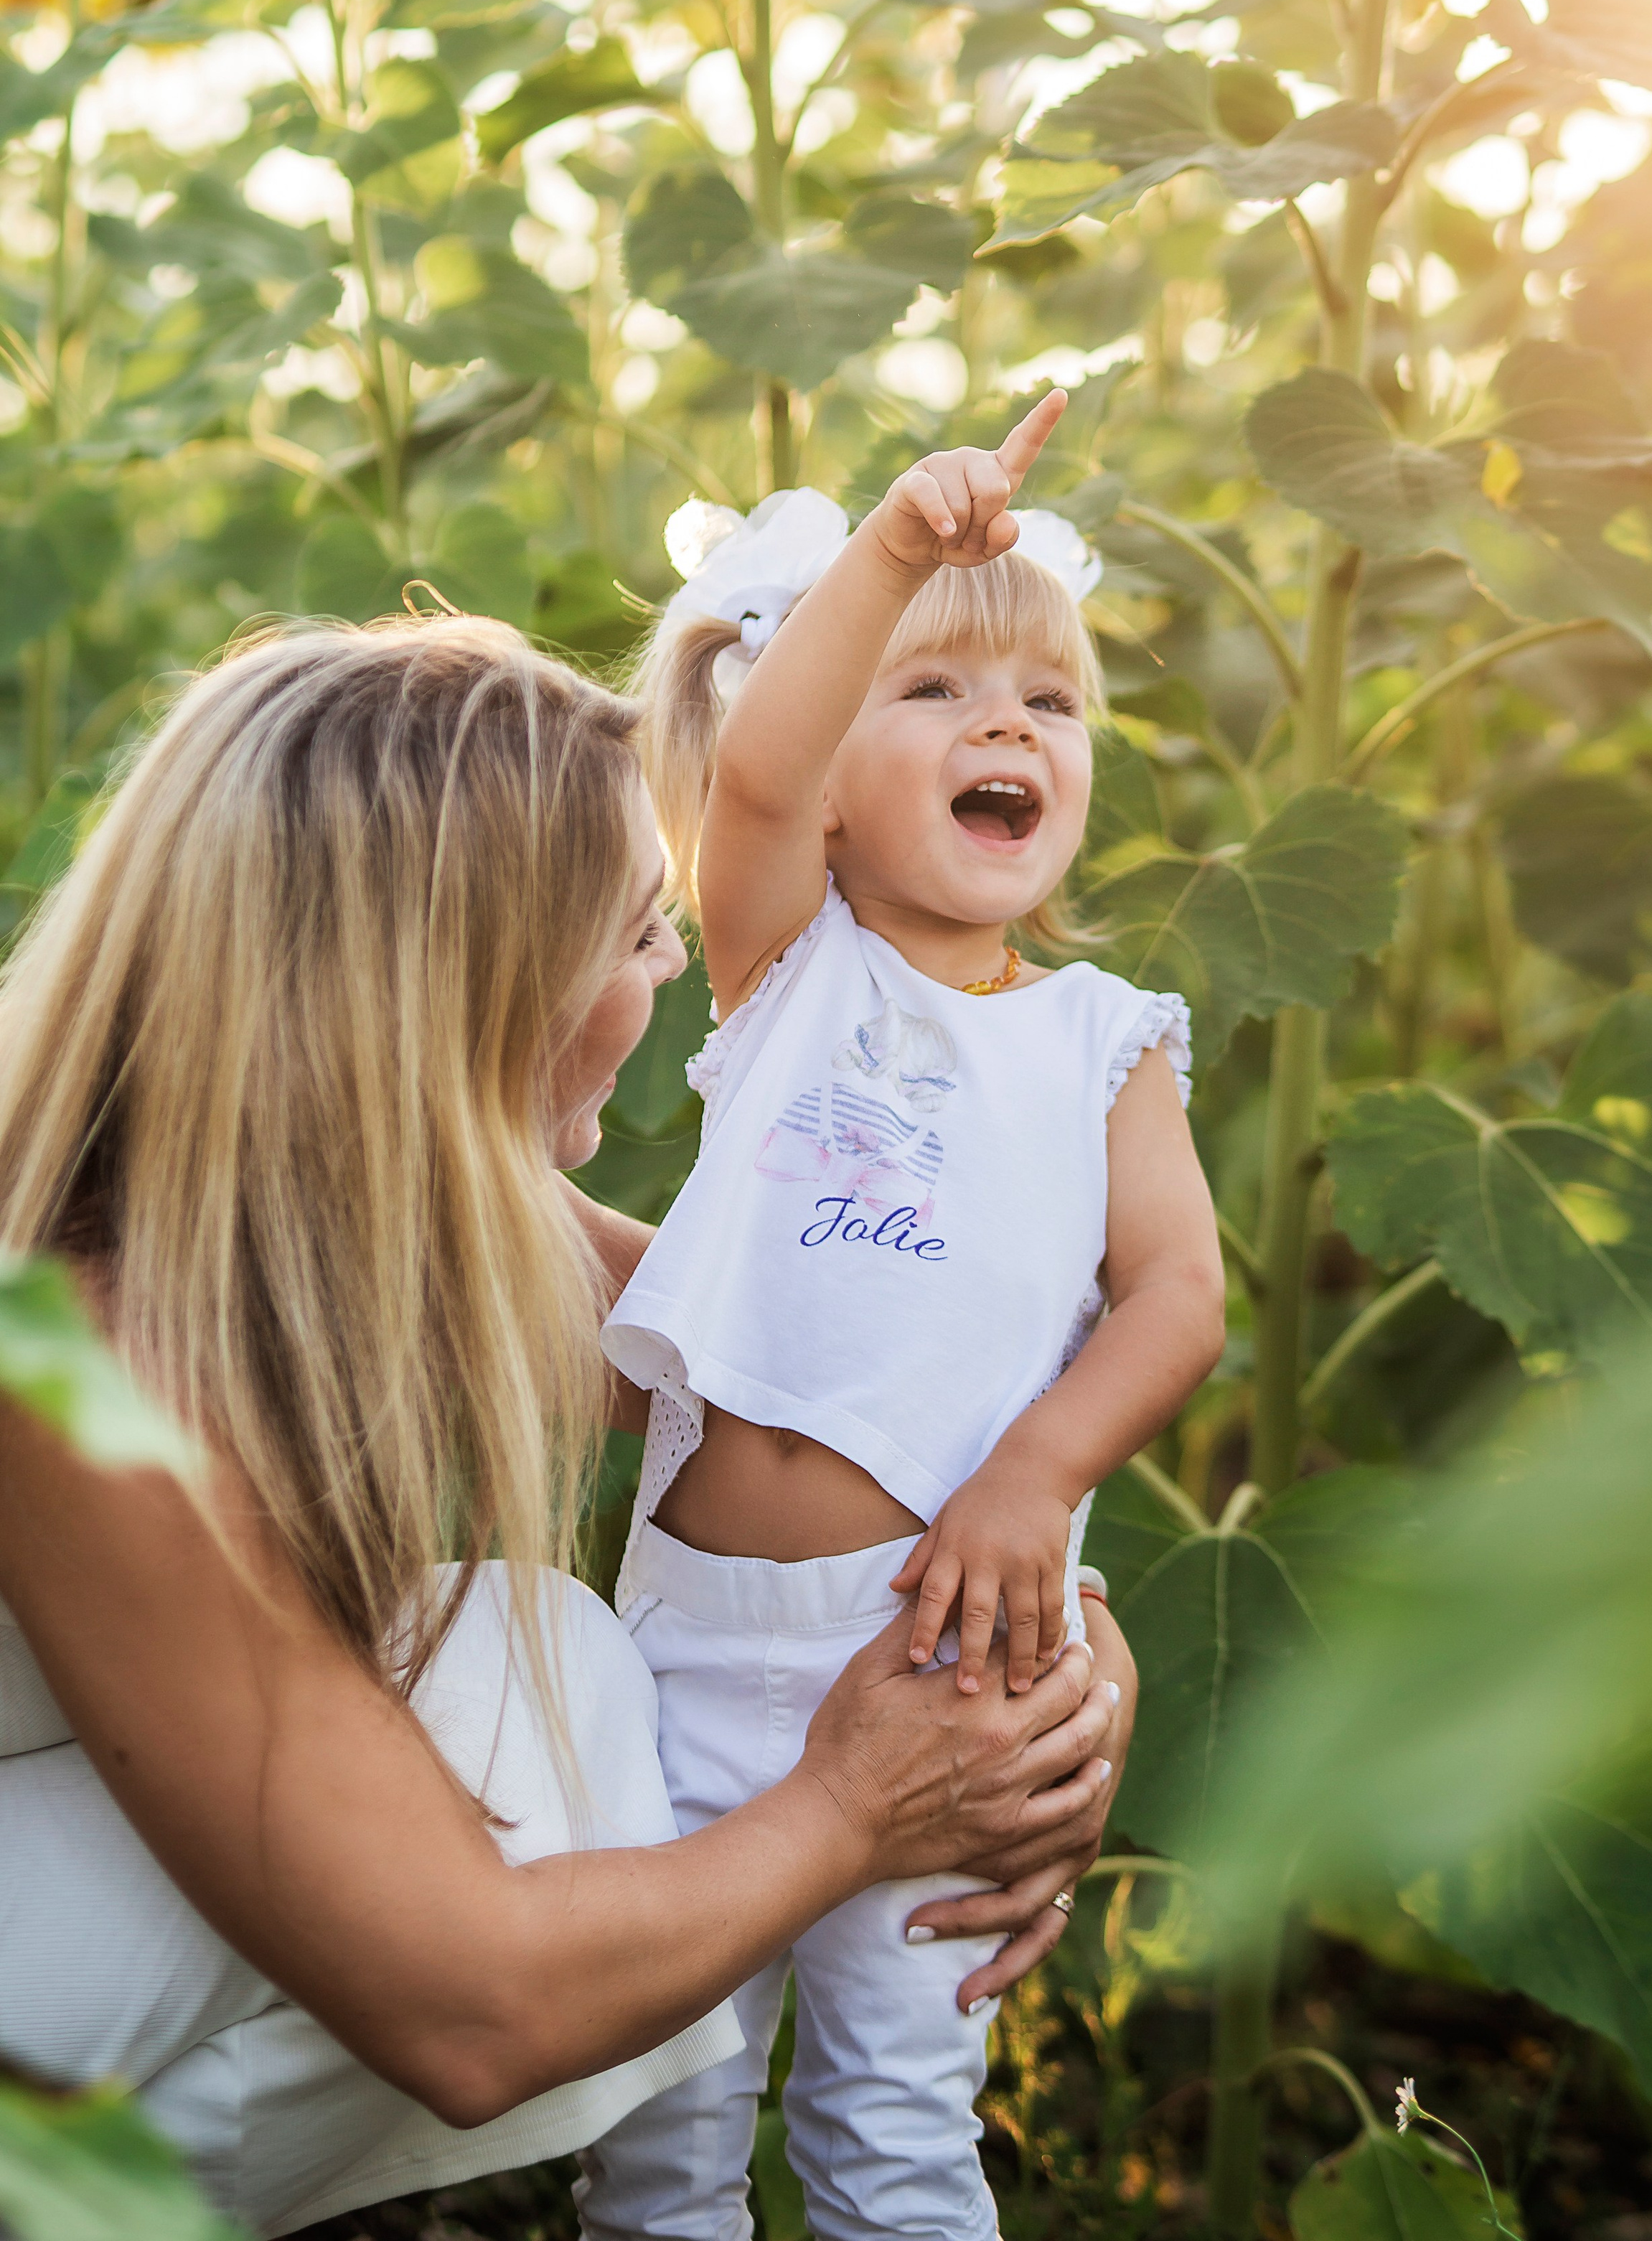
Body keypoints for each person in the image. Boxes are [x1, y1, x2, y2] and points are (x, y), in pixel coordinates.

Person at [0, 614, 1137, 2241]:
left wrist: (1052, 1648)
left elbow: (809, 1397)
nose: (676, 966)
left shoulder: (290, 1159)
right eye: (629, 932)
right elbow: (471, 2019)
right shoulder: (76, 1344)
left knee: (526, 1686)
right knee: (549, 1724)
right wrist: (860, 1803)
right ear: (455, 988)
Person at [586, 396, 1225, 2240]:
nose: (1009, 723)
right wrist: (890, 555)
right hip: (693, 1657)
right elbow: (762, 787)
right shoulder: (789, 961)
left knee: (893, 2126)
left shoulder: (1102, 1039)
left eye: (1048, 697)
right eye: (932, 693)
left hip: (941, 1659)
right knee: (660, 2137)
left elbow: (1174, 1297)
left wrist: (1035, 1475)